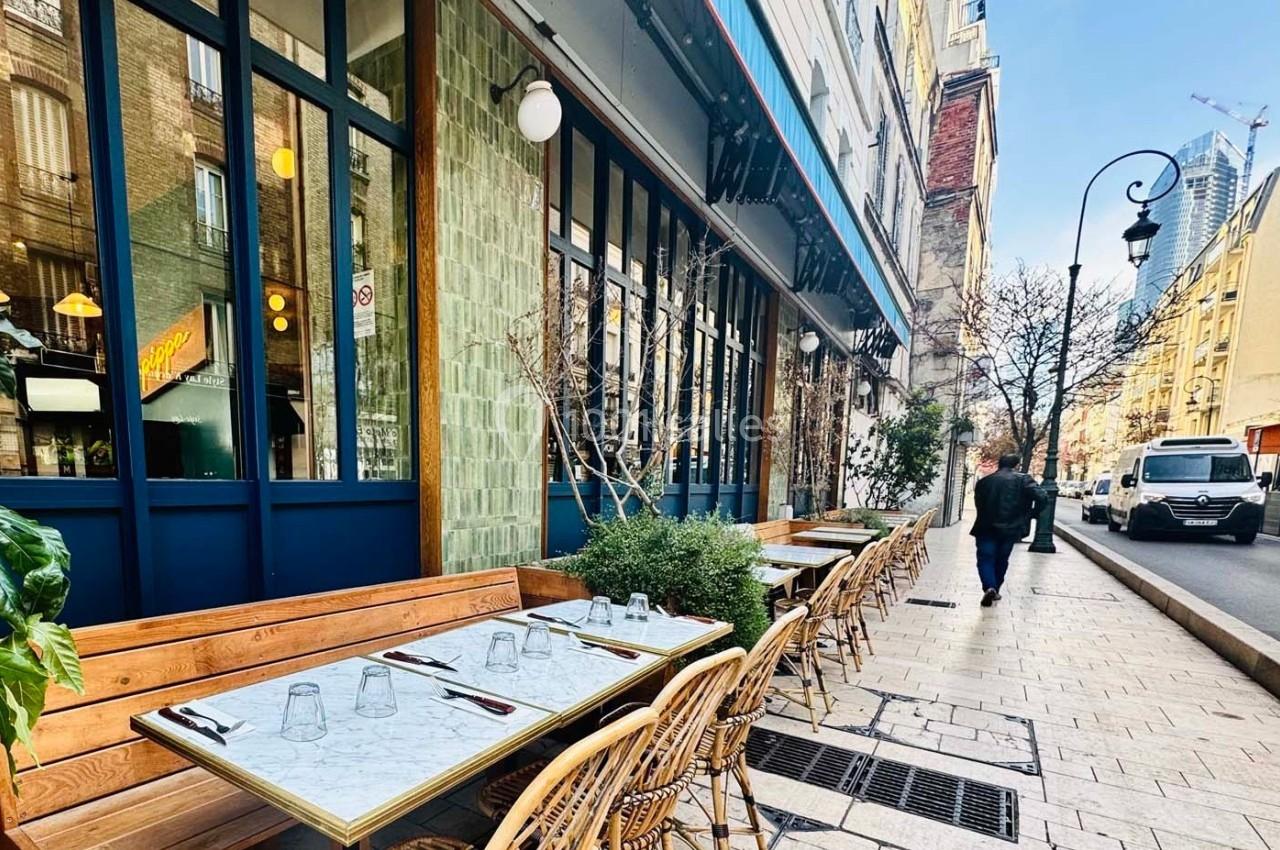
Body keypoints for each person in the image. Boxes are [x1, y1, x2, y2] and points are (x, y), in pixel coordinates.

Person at [970, 454, 1046, 607]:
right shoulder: (1023, 480)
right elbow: (1042, 496)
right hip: (1011, 527)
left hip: (986, 527)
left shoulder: (985, 482)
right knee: (1001, 559)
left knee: (985, 558)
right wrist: (1032, 514)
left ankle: (989, 587)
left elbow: (979, 504)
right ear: (1016, 465)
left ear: (999, 464)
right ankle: (995, 589)